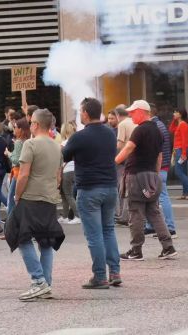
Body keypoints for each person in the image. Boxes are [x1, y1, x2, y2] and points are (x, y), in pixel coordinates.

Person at [5, 109, 66, 301]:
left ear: (36, 125)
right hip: (49, 197)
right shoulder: (57, 147)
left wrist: (17, 195)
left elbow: (23, 174)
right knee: (45, 240)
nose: (30, 125)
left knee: (19, 236)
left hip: (31, 197)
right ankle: (45, 282)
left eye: (31, 122)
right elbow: (58, 176)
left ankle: (38, 280)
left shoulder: (30, 144)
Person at [63, 98, 121, 289]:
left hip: (89, 189)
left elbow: (64, 155)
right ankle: (114, 271)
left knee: (94, 235)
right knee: (108, 230)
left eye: (80, 111)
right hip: (111, 187)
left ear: (86, 113)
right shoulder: (110, 134)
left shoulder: (79, 136)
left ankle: (100, 276)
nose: (80, 114)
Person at [115, 100, 178, 261]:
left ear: (142, 112)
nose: (130, 115)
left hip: (137, 175)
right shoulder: (157, 130)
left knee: (136, 213)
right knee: (154, 211)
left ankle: (136, 250)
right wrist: (155, 174)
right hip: (151, 174)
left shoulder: (140, 130)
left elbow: (128, 148)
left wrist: (113, 163)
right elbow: (160, 155)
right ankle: (168, 247)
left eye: (133, 112)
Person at [143, 104, 177, 238]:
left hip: (158, 167)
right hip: (162, 166)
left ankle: (170, 227)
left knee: (162, 196)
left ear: (148, 113)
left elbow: (156, 150)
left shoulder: (154, 127)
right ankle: (151, 226)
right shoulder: (160, 125)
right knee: (153, 197)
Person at [115, 106, 135, 227]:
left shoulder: (122, 124)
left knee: (124, 188)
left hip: (126, 160)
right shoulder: (134, 122)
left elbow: (120, 145)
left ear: (118, 115)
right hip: (136, 158)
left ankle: (125, 216)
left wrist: (117, 159)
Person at [169, 108, 188, 200]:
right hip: (179, 150)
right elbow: (171, 129)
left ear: (180, 114)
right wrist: (174, 119)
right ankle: (185, 193)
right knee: (182, 171)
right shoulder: (179, 124)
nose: (174, 113)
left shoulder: (183, 124)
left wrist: (183, 153)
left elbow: (185, 140)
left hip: (181, 150)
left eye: (176, 112)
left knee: (178, 171)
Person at [58, 120, 81, 225]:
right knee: (65, 193)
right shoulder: (75, 141)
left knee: (67, 194)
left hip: (66, 170)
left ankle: (77, 215)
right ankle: (65, 216)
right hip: (74, 169)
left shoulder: (64, 143)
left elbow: (60, 158)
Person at [7, 117, 30, 217]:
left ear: (20, 129)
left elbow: (16, 161)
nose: (14, 129)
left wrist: (8, 153)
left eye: (15, 127)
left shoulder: (18, 142)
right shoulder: (28, 141)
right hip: (25, 173)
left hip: (17, 174)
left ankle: (10, 227)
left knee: (11, 202)